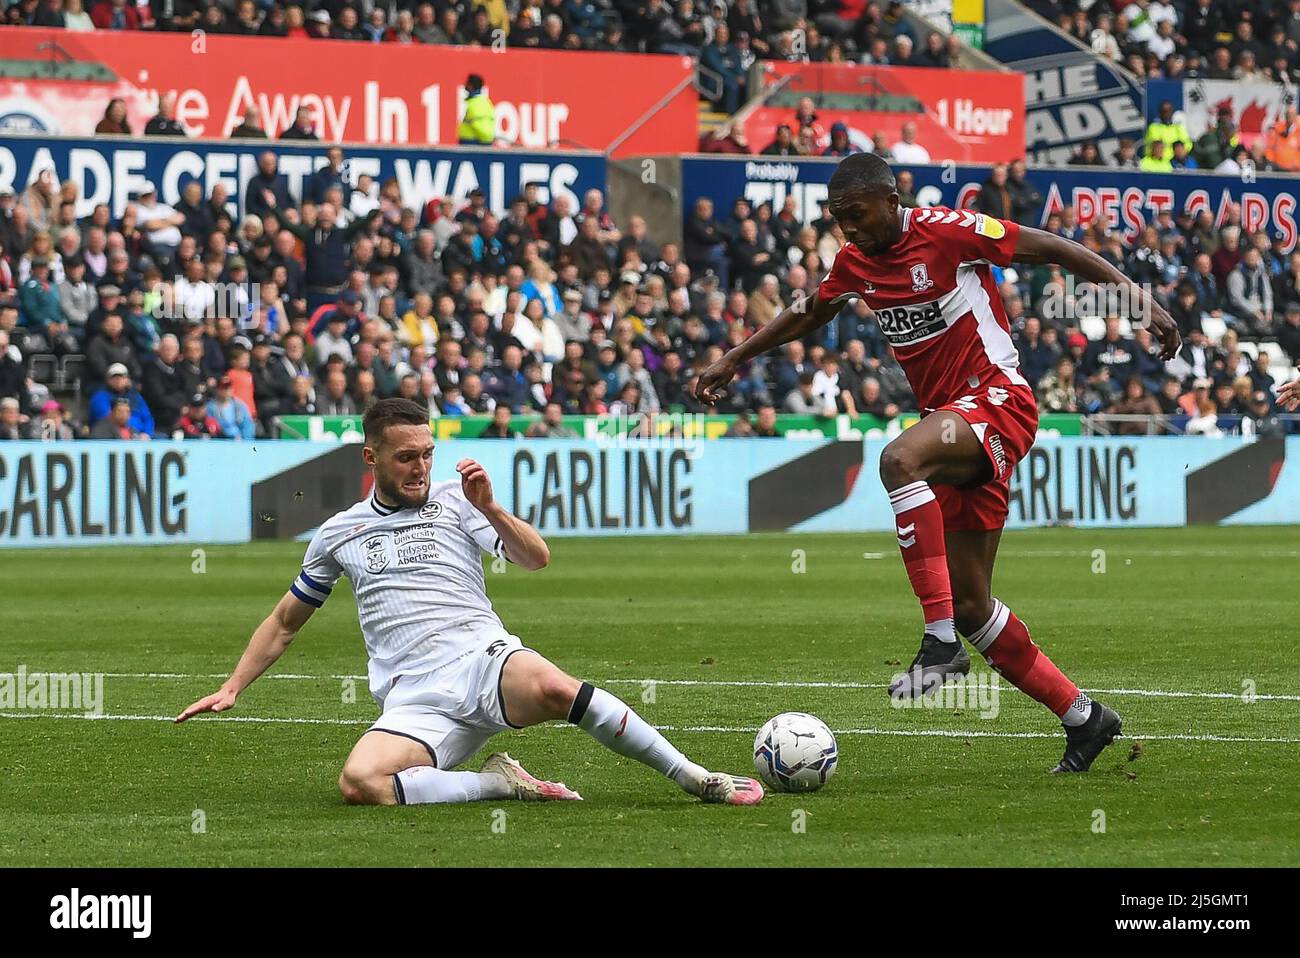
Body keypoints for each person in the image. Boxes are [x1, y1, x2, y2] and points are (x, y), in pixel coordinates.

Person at [695, 152, 1181, 773]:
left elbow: (1056, 247)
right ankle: (1085, 719)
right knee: (976, 606)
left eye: (857, 214)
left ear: (890, 200)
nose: (848, 228)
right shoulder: (854, 263)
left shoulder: (948, 232)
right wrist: (736, 356)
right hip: (956, 431)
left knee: (899, 460)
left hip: (997, 400)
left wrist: (1143, 305)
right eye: (838, 218)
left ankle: (939, 642)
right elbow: (811, 310)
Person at [175, 399, 764, 808]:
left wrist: (490, 508)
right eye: (406, 457)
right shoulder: (339, 534)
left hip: (484, 661)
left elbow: (536, 558)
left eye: (428, 454)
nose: (420, 468)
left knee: (561, 689)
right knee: (361, 784)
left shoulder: (460, 503)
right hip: (414, 697)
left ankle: (693, 777)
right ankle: (499, 785)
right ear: (371, 457)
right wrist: (233, 687)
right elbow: (285, 622)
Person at [457, 74, 495, 146]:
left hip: (472, 143)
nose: (465, 86)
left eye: (467, 83)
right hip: (476, 142)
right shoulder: (485, 102)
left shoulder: (475, 104)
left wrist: (485, 141)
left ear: (470, 86)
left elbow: (480, 125)